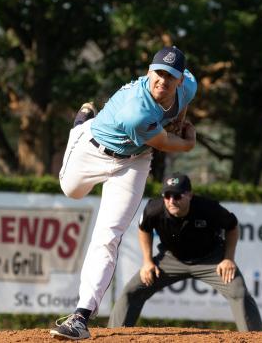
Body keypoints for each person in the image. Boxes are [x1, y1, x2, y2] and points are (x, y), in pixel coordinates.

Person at [50, 46, 197, 340]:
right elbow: (166, 142)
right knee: (71, 191)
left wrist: (181, 116)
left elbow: (186, 97)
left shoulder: (188, 85)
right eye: (158, 73)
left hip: (134, 161)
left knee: (108, 235)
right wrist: (189, 143)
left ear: (180, 80)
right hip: (93, 149)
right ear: (148, 71)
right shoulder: (136, 110)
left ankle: (80, 317)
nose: (163, 81)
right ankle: (80, 125)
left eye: (171, 76)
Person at [107, 172, 262, 331]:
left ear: (190, 195)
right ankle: (115, 337)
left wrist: (228, 258)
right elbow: (144, 229)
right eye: (167, 196)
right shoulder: (154, 209)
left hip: (211, 260)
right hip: (171, 259)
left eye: (177, 196)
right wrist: (147, 261)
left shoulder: (208, 208)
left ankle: (255, 339)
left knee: (238, 292)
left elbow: (232, 227)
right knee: (132, 292)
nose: (171, 201)